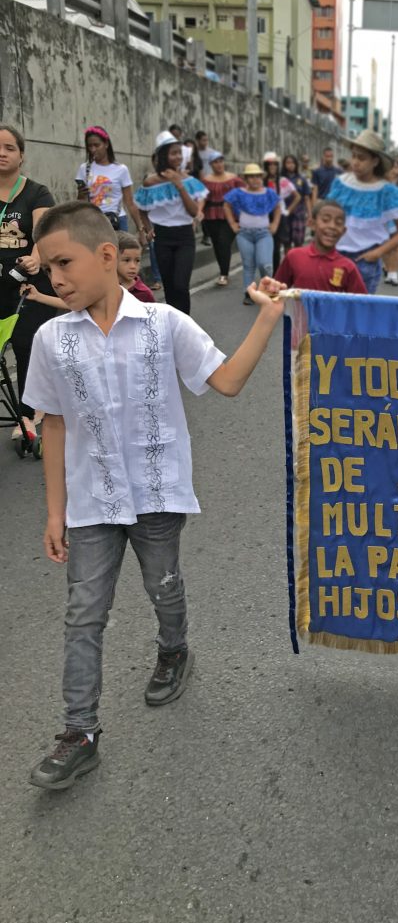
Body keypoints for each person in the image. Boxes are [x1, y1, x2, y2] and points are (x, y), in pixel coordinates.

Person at [22, 201, 286, 790]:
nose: (54, 278)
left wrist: (266, 319)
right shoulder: (50, 340)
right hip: (92, 502)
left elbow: (228, 381)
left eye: (63, 262)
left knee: (161, 584)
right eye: (46, 268)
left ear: (108, 257)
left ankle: (174, 648)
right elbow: (55, 424)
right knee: (83, 614)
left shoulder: (165, 324)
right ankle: (79, 732)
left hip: (158, 495)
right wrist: (55, 511)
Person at [0, 124, 57, 443]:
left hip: (26, 281)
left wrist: (36, 257)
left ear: (21, 155)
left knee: (24, 345)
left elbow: (43, 232)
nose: (2, 153)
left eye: (9, 147)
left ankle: (27, 412)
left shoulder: (36, 191)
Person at [327, 130, 398, 294]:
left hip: (365, 260)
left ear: (375, 161)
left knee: (359, 314)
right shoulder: (340, 183)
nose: (356, 162)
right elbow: (327, 216)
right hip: (334, 256)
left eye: (362, 158)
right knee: (331, 311)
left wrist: (378, 252)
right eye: (354, 156)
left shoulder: (388, 192)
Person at [134, 131, 208, 315]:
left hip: (184, 237)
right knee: (169, 287)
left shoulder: (188, 180)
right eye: (172, 153)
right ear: (162, 156)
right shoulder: (151, 182)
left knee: (181, 284)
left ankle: (185, 323)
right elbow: (141, 208)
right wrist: (147, 229)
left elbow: (193, 211)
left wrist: (179, 184)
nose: (177, 157)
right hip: (162, 237)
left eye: (179, 152)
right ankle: (174, 325)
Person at [274, 200, 367, 293]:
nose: (332, 226)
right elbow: (275, 292)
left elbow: (362, 303)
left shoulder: (348, 267)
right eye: (325, 220)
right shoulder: (294, 256)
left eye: (338, 223)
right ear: (312, 224)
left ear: (343, 231)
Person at [224, 163, 281, 305]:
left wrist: (274, 224)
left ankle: (268, 288)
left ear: (262, 177)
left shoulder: (269, 193)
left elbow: (278, 206)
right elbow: (226, 205)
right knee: (248, 265)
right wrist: (232, 224)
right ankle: (249, 293)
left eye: (258, 176)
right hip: (244, 234)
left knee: (265, 264)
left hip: (264, 234)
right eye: (251, 177)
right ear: (246, 179)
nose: (255, 179)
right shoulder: (238, 193)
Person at [75, 126, 143, 236]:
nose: (93, 149)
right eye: (90, 146)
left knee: (118, 252)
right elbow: (81, 202)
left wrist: (141, 229)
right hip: (94, 221)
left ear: (106, 144)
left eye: (97, 145)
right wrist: (81, 194)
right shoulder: (84, 169)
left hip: (117, 221)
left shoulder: (121, 169)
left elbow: (130, 202)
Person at [201, 151, 242, 286]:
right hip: (211, 215)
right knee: (217, 244)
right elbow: (202, 198)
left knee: (224, 242)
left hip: (230, 214)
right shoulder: (207, 180)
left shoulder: (234, 179)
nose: (219, 165)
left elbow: (243, 195)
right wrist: (199, 211)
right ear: (211, 164)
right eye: (215, 162)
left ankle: (224, 274)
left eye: (221, 161)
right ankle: (222, 270)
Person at [263, 152, 300, 273]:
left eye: (275, 164)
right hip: (264, 217)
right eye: (270, 164)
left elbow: (297, 196)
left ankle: (276, 274)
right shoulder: (262, 180)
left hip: (280, 217)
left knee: (276, 247)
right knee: (266, 247)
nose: (272, 167)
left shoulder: (283, 181)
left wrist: (288, 211)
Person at [278, 153, 312, 259]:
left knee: (298, 241)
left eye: (292, 162)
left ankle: (298, 262)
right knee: (286, 241)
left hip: (299, 214)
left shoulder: (301, 179)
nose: (290, 165)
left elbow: (306, 198)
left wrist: (310, 215)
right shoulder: (280, 179)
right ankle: (288, 263)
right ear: (284, 165)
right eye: (288, 163)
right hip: (284, 214)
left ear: (296, 164)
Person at [116, 231, 155, 303]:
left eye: (137, 260)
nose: (133, 266)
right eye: (127, 260)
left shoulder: (145, 293)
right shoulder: (104, 290)